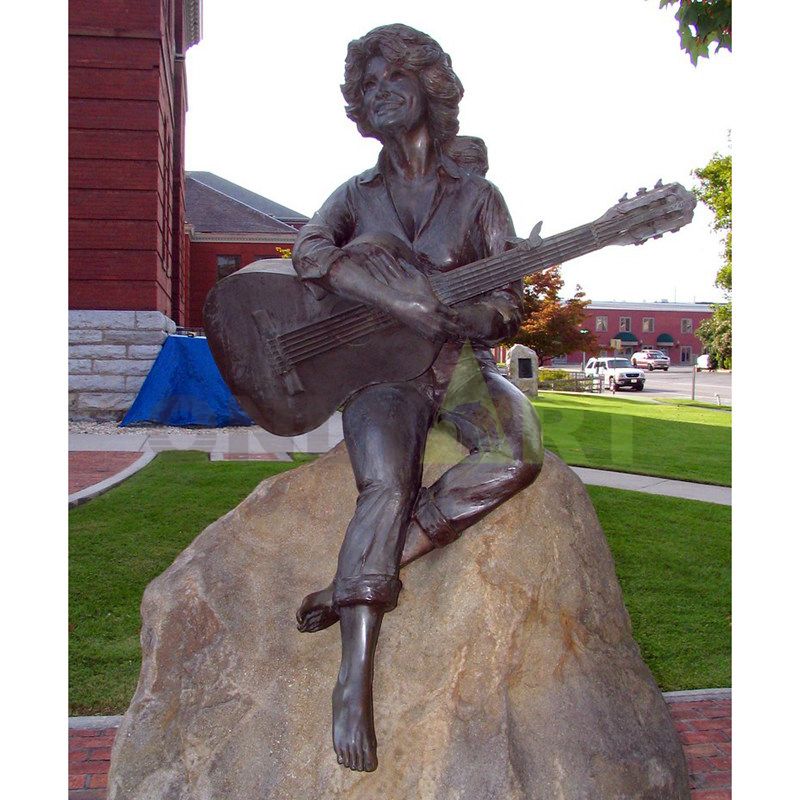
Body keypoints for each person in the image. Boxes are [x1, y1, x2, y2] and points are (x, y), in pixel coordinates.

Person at [291, 23, 544, 773]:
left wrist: (455, 315)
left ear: (429, 88)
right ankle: (353, 679)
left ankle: (367, 575)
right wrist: (385, 295)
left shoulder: (478, 195)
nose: (378, 94)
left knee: (517, 451)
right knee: (385, 483)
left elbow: (509, 298)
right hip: (381, 371)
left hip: (457, 362)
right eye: (368, 87)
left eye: (392, 78)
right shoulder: (354, 194)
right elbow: (311, 252)